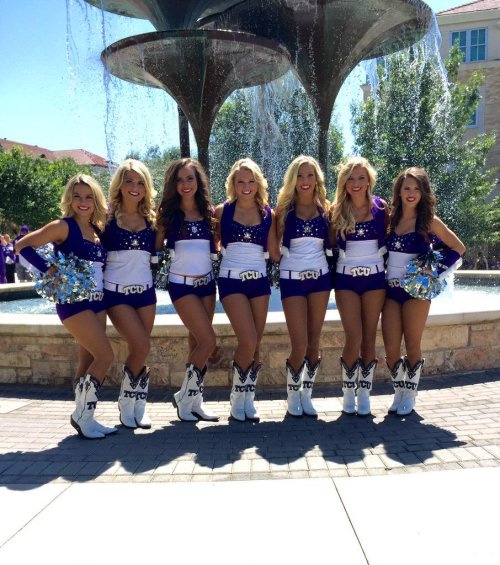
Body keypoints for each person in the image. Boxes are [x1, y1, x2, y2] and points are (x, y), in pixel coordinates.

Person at [14, 175, 116, 439]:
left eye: (88, 196)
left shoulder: (97, 230)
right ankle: (82, 416)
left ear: (96, 199)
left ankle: (86, 417)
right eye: (77, 196)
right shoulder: (62, 226)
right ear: (69, 199)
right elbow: (22, 245)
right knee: (105, 356)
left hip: (98, 302)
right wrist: (49, 269)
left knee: (89, 359)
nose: (83, 202)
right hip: (73, 303)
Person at [383, 167, 465, 416]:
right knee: (391, 348)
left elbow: (458, 248)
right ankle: (399, 390)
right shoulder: (390, 217)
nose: (411, 193)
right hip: (390, 290)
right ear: (399, 191)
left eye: (416, 188)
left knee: (412, 343)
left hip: (416, 292)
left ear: (423, 192)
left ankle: (410, 392)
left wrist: (433, 271)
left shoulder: (429, 220)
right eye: (406, 188)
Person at [215, 158, 280, 422]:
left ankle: (246, 397)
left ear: (258, 183)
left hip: (259, 283)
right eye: (240, 181)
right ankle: (235, 396)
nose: (246, 186)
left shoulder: (269, 213)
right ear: (232, 183)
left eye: (251, 180)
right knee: (248, 340)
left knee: (256, 344)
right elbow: (205, 240)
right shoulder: (222, 211)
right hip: (231, 280)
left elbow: (274, 254)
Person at [156, 158, 219, 423]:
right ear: (173, 184)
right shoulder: (167, 215)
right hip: (181, 285)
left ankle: (193, 401)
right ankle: (185, 396)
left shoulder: (209, 213)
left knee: (197, 344)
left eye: (190, 179)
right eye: (179, 180)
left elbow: (215, 247)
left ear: (198, 181)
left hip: (207, 285)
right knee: (208, 342)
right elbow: (156, 250)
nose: (185, 184)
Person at [330, 157, 389, 416]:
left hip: (375, 279)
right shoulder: (335, 210)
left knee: (369, 337)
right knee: (353, 335)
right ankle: (347, 392)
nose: (356, 183)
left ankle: (364, 392)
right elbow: (329, 245)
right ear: (344, 182)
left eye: (361, 178)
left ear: (369, 181)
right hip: (345, 280)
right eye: (351, 178)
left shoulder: (381, 208)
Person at [101, 159, 157, 429]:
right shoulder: (104, 217)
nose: (134, 187)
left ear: (146, 187)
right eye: (129, 181)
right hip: (117, 295)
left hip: (145, 294)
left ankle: (137, 404)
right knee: (142, 345)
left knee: (141, 349)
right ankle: (126, 400)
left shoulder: (152, 218)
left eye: (140, 182)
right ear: (119, 185)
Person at [275, 156, 332, 417]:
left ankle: (306, 393)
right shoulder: (283, 210)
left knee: (314, 341)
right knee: (299, 342)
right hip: (292, 279)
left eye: (310, 176)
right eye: (300, 176)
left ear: (316, 179)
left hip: (320, 279)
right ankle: (292, 393)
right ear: (293, 180)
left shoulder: (326, 209)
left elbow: (332, 244)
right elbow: (274, 249)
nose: (305, 181)